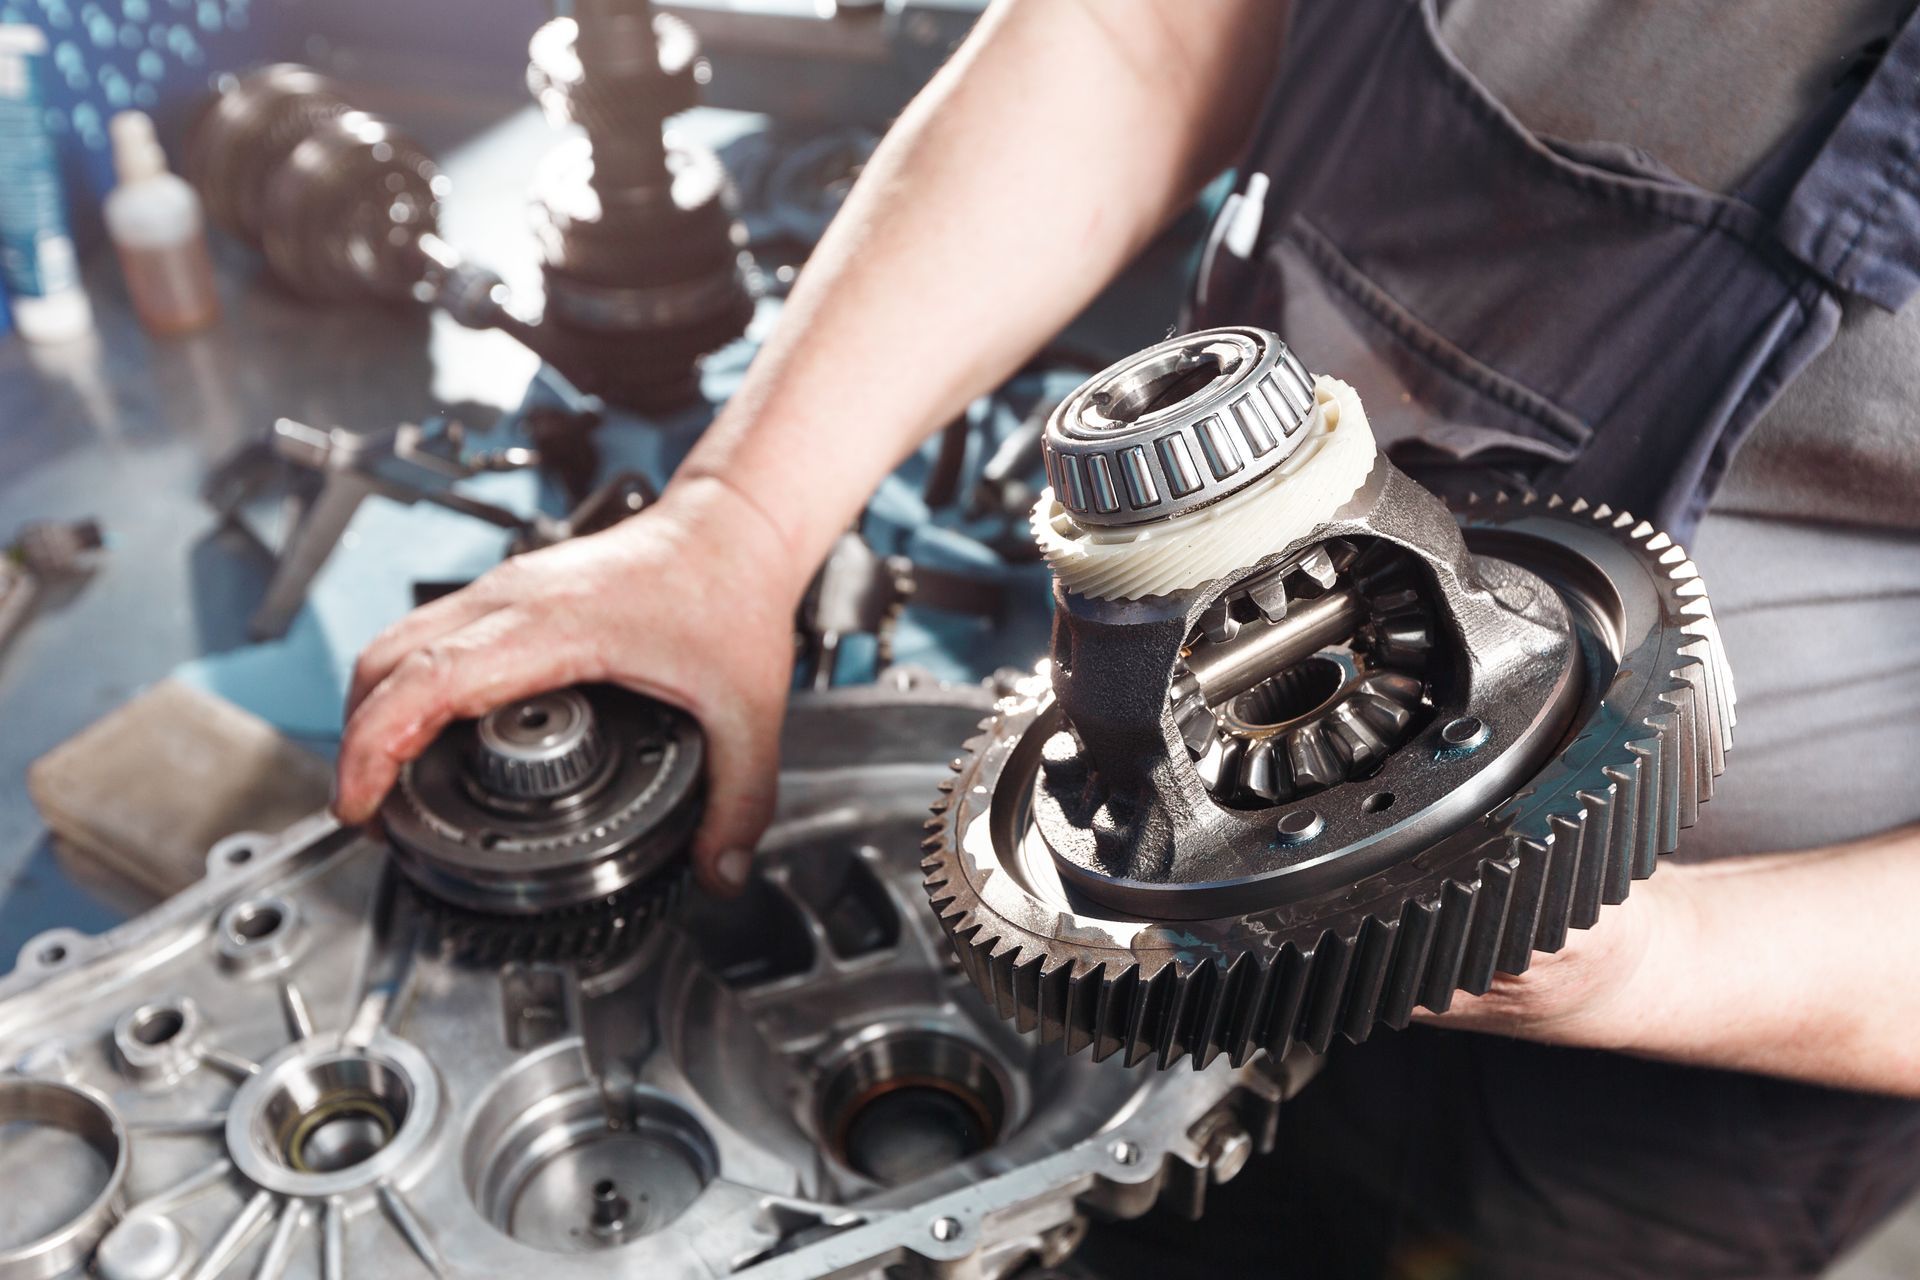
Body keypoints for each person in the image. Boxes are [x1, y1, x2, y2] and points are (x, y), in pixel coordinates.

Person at [333, 1, 1920, 1275]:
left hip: (1694, 1072)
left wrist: (1640, 960)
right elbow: (1143, 30)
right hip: (1173, 898)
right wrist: (737, 521)